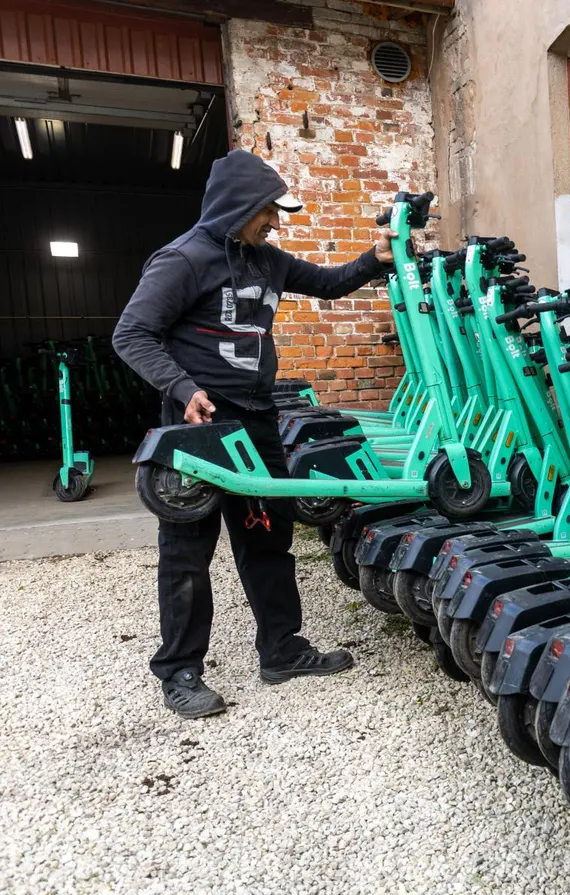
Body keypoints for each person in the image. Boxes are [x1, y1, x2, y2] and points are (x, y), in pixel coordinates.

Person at [114, 148, 396, 719]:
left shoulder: (267, 259)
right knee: (187, 552)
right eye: (268, 210)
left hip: (257, 418)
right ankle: (180, 672)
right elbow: (132, 333)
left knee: (267, 537)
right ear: (238, 205)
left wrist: (375, 258)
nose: (274, 221)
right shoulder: (183, 260)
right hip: (199, 424)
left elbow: (329, 283)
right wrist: (183, 388)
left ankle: (282, 650)